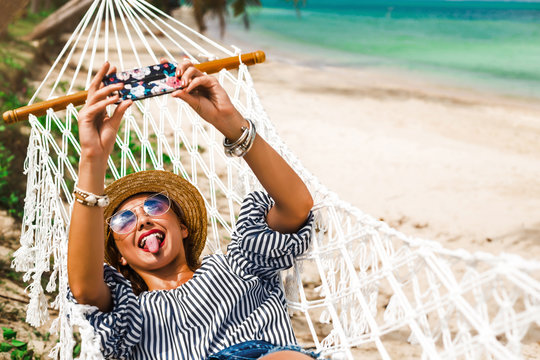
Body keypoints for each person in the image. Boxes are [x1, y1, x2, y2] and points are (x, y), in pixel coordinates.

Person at [67, 58, 318, 360]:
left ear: (182, 227)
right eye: (123, 220)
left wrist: (230, 122)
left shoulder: (241, 265)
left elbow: (296, 207)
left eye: (154, 206)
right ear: (118, 255)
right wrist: (92, 158)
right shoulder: (129, 313)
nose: (143, 219)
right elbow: (84, 289)